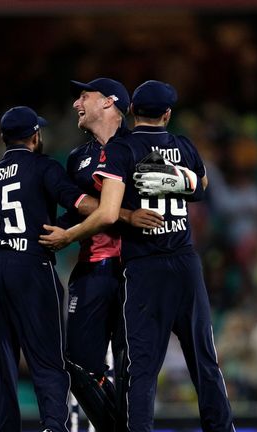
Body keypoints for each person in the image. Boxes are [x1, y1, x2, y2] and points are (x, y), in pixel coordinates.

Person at [40, 80, 235, 431]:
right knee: (202, 359)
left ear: (124, 107)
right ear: (169, 114)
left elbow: (109, 211)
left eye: (85, 95)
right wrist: (176, 180)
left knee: (139, 368)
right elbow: (201, 187)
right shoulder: (181, 144)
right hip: (178, 260)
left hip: (138, 266)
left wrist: (67, 236)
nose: (76, 103)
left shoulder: (124, 148)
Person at [0, 106, 98, 432]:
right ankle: (53, 428)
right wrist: (114, 208)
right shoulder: (42, 166)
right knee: (48, 360)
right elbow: (79, 203)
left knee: (1, 365)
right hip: (29, 266)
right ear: (35, 136)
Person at [62, 78, 163, 430]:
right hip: (90, 269)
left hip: (130, 271)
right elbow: (73, 209)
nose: (77, 103)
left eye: (83, 96)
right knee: (74, 364)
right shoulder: (77, 157)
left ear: (109, 102)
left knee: (129, 366)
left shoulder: (136, 148)